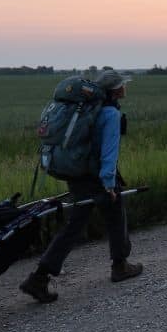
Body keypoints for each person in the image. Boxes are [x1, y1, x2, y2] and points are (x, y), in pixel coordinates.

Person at [20, 70, 143, 302]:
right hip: (96, 175)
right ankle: (120, 266)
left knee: (75, 223)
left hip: (77, 172)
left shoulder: (86, 110)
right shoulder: (109, 114)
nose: (125, 87)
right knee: (115, 214)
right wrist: (108, 183)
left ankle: (39, 277)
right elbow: (109, 152)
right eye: (123, 85)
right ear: (115, 90)